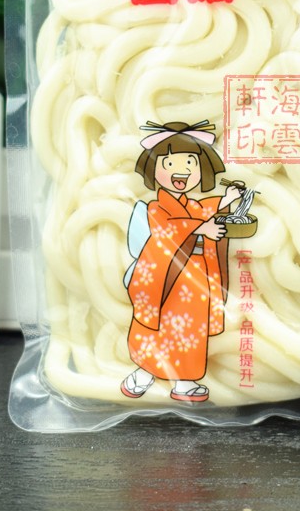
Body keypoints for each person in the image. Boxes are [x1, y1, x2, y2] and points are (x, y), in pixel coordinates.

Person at [121, 120, 243, 403]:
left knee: (190, 331)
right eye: (169, 163)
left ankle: (184, 382)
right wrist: (202, 229)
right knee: (156, 327)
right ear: (154, 169)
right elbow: (169, 228)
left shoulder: (190, 205)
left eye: (191, 162)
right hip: (165, 280)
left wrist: (225, 200)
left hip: (194, 279)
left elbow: (200, 210)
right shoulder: (157, 206)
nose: (182, 171)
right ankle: (142, 375)